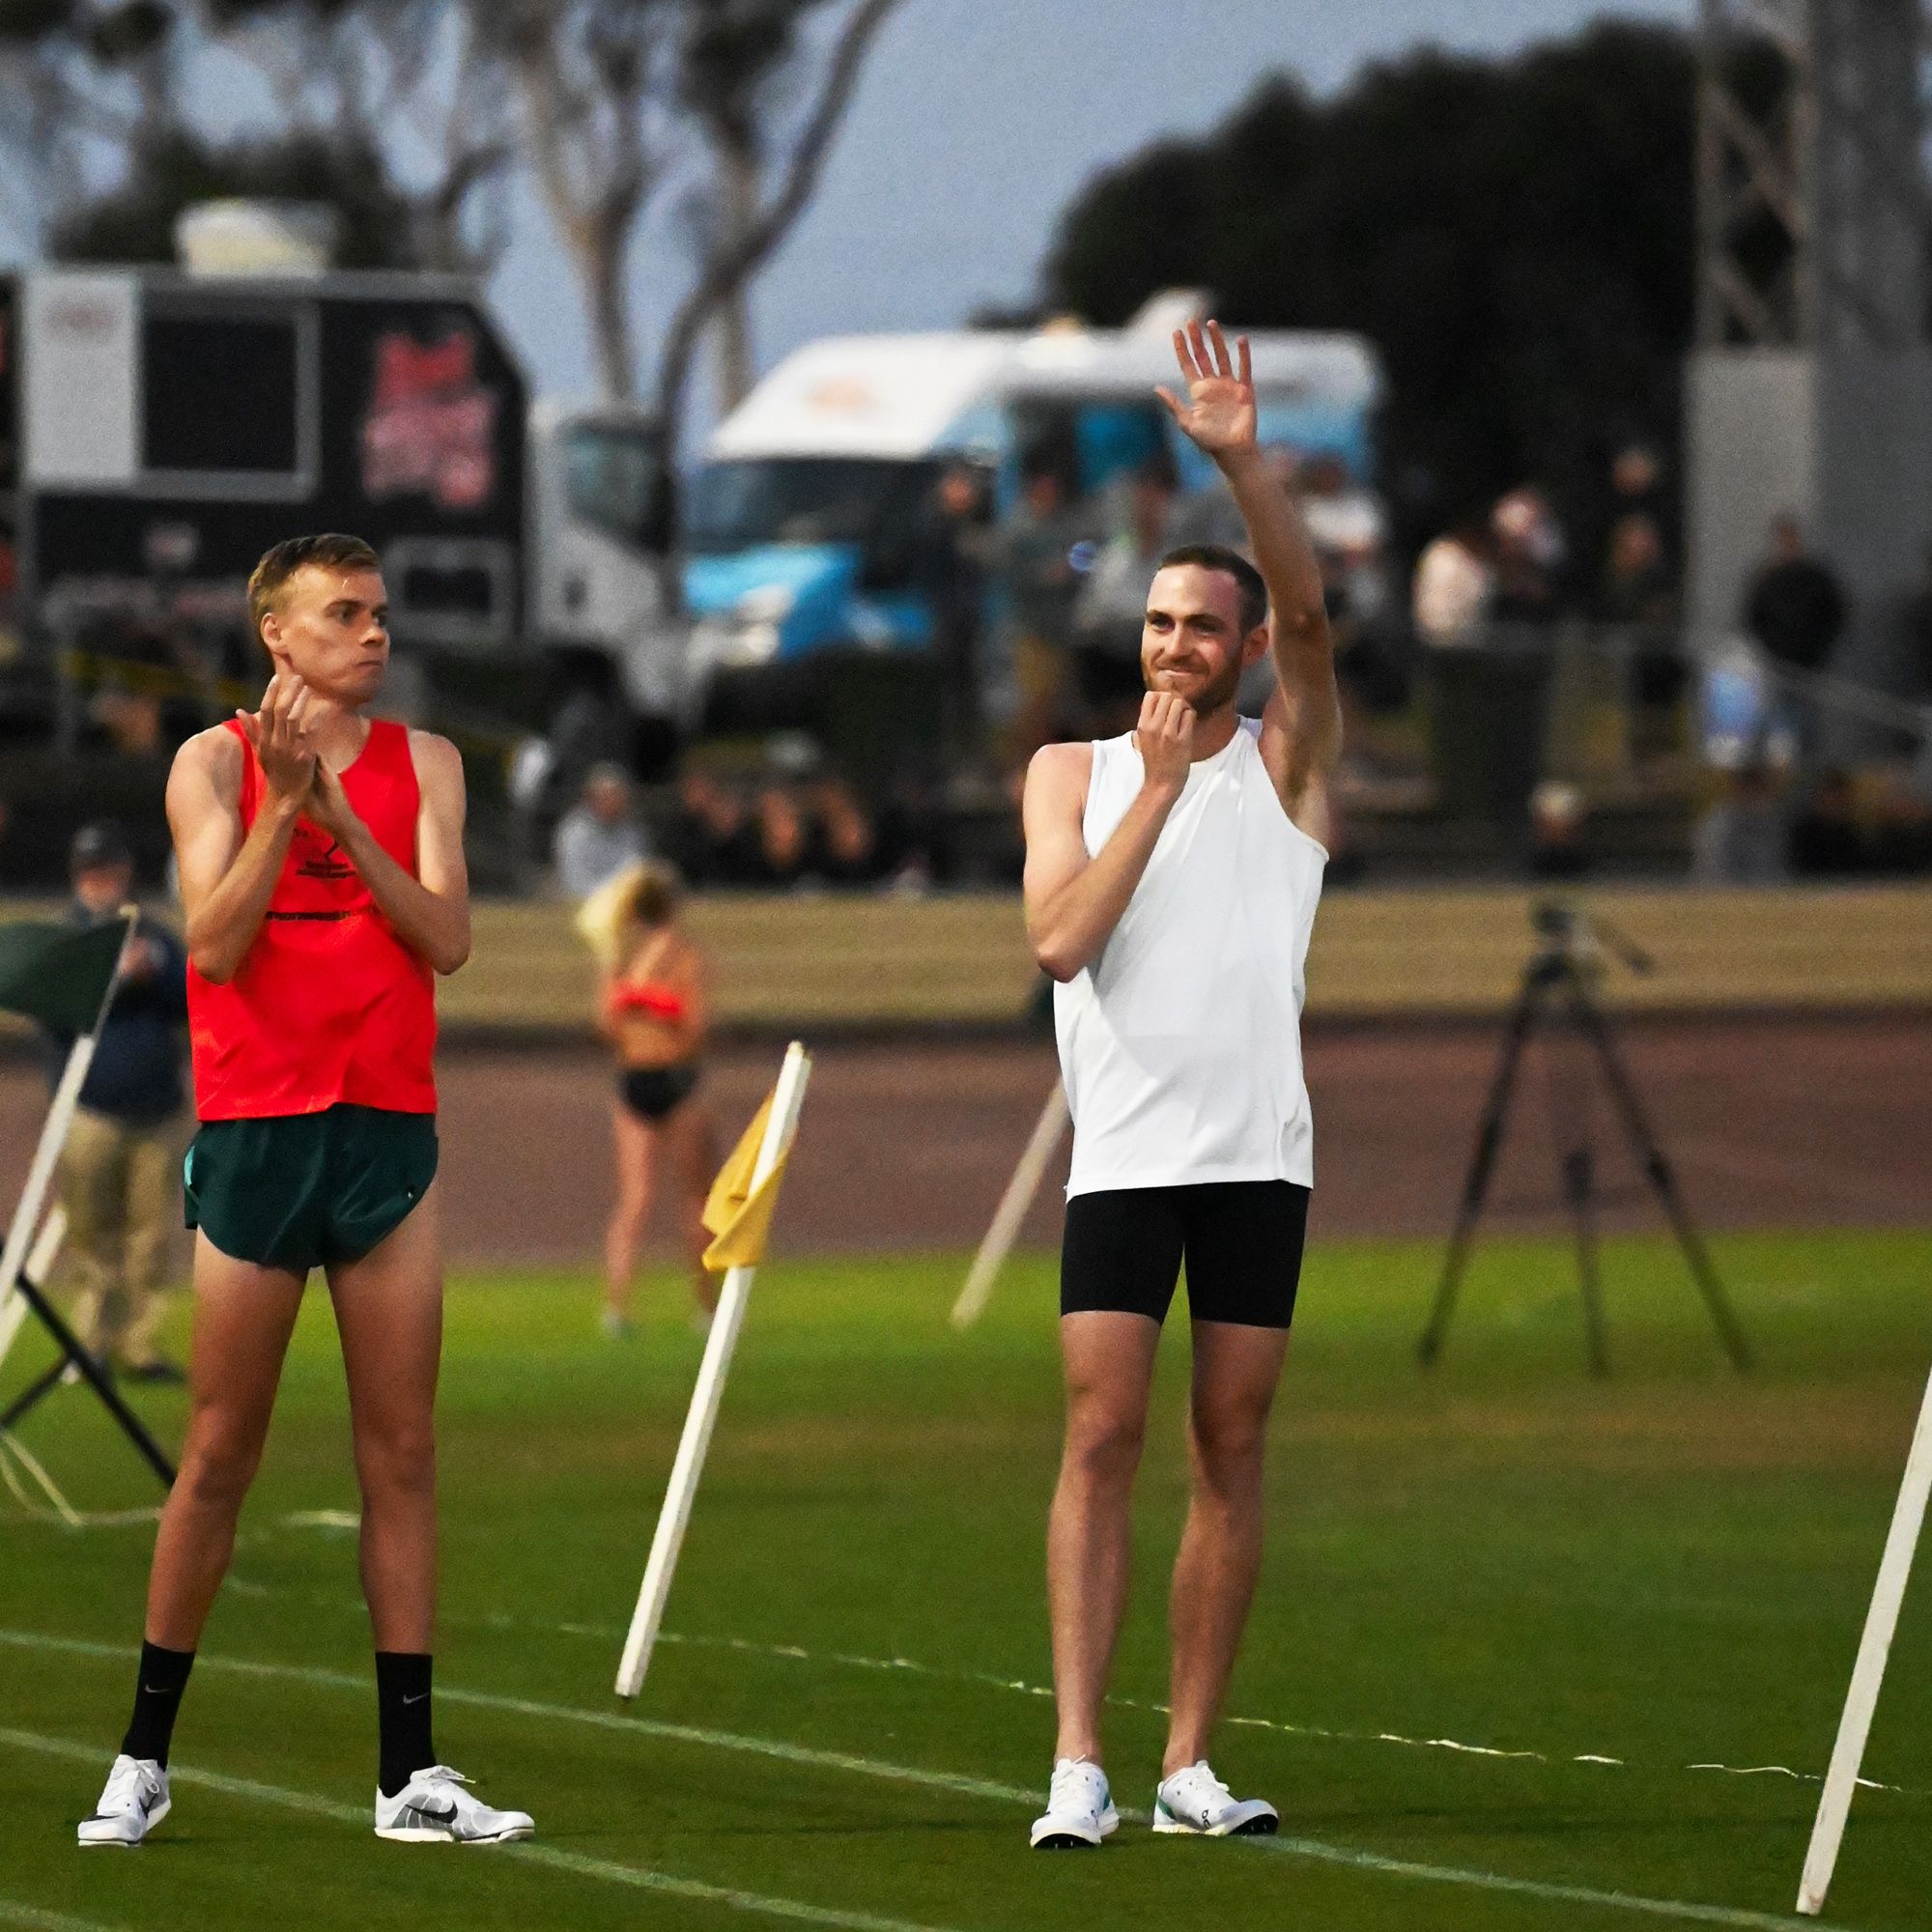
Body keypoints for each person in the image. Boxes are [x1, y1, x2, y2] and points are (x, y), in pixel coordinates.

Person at [76, 533, 531, 1849]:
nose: (375, 634)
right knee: (219, 1452)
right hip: (263, 1130)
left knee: (402, 1454)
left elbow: (446, 938)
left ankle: (411, 1776)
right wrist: (286, 806)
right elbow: (212, 946)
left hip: (384, 1131)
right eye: (346, 613)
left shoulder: (424, 764)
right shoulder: (210, 763)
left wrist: (342, 821)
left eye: (380, 612)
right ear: (279, 636)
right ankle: (143, 1757)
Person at [1020, 322, 1339, 1850]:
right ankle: (1079, 1760)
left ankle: (1189, 1761)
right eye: (1157, 625)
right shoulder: (1073, 773)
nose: (1172, 648)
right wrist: (1147, 794)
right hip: (1127, 1160)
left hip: (1258, 1163)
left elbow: (1322, 617)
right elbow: (1061, 943)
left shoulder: (1287, 767)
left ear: (1246, 646)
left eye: (1202, 629)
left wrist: (1239, 463)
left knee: (1233, 1447)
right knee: (1099, 1440)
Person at [49, 823, 190, 1382]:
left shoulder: (154, 935)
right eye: (90, 871)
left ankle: (141, 1344)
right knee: (90, 1231)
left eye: (107, 869)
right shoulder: (69, 941)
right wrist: (114, 977)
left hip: (155, 1107)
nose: (100, 881)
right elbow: (56, 1011)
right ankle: (91, 1344)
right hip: (90, 1107)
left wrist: (151, 971)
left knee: (150, 1234)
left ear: (125, 873)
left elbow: (192, 995)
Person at [597, 863, 715, 1337]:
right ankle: (706, 1308)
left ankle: (617, 1306)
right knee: (694, 1198)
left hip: (637, 1078)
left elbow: (608, 1025)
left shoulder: (622, 961)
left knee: (637, 1198)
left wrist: (636, 1002)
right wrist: (659, 1005)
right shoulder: (680, 958)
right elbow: (694, 1029)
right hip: (672, 1078)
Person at [1744, 515, 1846, 675]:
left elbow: (1834, 612)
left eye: (1791, 537)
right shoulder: (1767, 580)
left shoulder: (1816, 577)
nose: (1788, 543)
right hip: (1777, 661)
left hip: (1811, 661)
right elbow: (1755, 616)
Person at [553, 761, 647, 900]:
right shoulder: (573, 832)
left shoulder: (632, 831)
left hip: (624, 903)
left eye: (618, 795)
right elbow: (575, 882)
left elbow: (636, 871)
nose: (614, 801)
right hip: (582, 903)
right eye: (607, 795)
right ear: (592, 798)